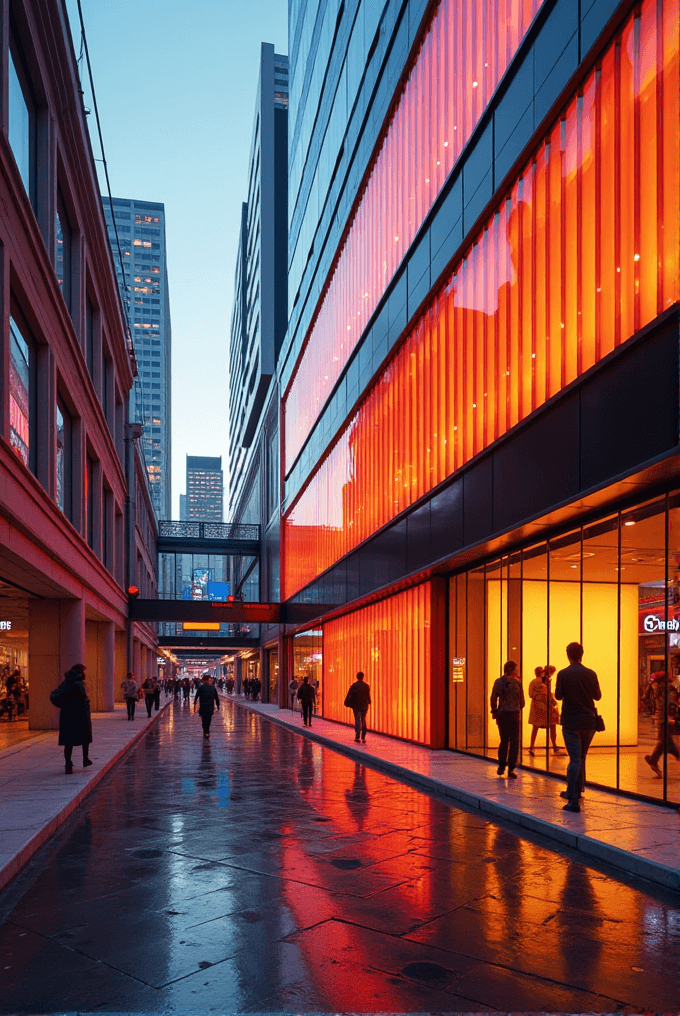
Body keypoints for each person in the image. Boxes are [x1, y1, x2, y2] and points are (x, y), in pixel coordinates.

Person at [555, 642, 602, 812]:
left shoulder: (563, 674)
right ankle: (577, 790)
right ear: (582, 654)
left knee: (574, 759)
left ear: (568, 654)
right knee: (581, 757)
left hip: (571, 721)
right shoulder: (591, 673)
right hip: (589, 722)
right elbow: (597, 696)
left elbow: (558, 696)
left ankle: (572, 800)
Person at [490, 660, 525, 778]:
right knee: (514, 741)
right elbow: (522, 702)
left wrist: (494, 710)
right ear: (511, 670)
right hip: (514, 714)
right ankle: (511, 768)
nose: (517, 671)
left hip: (502, 714)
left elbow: (493, 698)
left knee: (504, 740)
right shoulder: (517, 683)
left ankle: (501, 766)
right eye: (515, 669)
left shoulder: (498, 682)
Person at [56, 663, 92, 773]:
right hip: (80, 713)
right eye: (84, 671)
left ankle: (68, 763)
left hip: (67, 714)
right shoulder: (79, 684)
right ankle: (85, 759)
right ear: (80, 672)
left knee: (68, 740)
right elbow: (82, 699)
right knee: (85, 737)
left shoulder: (66, 682)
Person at [644, 671, 679, 777]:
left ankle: (653, 760)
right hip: (665, 719)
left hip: (662, 719)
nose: (669, 682)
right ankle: (653, 759)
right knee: (666, 742)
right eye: (667, 680)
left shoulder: (659, 689)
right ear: (663, 680)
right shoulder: (663, 690)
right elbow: (669, 704)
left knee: (667, 743)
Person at [528, 665, 563, 756]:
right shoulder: (543, 682)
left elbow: (532, 694)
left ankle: (532, 746)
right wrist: (550, 700)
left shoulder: (538, 682)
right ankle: (554, 747)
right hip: (543, 706)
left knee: (537, 727)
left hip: (540, 706)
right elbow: (543, 694)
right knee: (551, 726)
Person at [344, 671, 371, 743]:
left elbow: (350, 695)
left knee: (357, 719)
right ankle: (363, 736)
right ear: (363, 677)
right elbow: (368, 696)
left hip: (356, 705)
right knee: (363, 719)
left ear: (357, 677)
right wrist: (369, 702)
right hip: (364, 705)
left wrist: (349, 703)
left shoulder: (354, 685)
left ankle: (357, 735)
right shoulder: (366, 686)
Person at [194, 672, 220, 739]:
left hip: (203, 706)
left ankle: (205, 731)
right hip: (210, 706)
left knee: (204, 720)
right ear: (208, 680)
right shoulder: (212, 688)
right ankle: (207, 731)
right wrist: (218, 705)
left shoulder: (201, 687)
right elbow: (216, 697)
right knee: (208, 719)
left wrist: (194, 704)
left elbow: (196, 696)